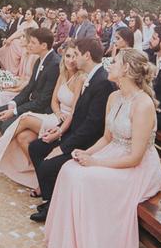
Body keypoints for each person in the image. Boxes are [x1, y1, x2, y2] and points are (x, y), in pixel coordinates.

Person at [43, 47, 161, 248]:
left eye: (115, 62)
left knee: (84, 180)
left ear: (127, 69)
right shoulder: (114, 97)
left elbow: (135, 157)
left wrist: (96, 164)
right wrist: (88, 153)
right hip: (114, 155)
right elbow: (107, 139)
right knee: (69, 169)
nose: (110, 65)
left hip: (137, 170)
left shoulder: (143, 105)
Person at [28, 38, 116, 221]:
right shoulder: (90, 78)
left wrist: (62, 147)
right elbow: (77, 114)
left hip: (87, 144)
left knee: (47, 166)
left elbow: (92, 126)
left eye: (76, 54)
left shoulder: (103, 82)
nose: (73, 59)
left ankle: (54, 206)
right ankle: (51, 199)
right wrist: (58, 131)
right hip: (73, 134)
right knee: (35, 147)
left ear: (87, 55)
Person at [0, 38, 83, 191]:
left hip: (65, 122)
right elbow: (54, 101)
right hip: (56, 115)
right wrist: (57, 111)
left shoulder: (80, 79)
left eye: (74, 56)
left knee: (25, 118)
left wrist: (61, 126)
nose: (71, 60)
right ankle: (40, 178)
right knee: (23, 138)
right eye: (68, 56)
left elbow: (75, 110)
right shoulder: (63, 75)